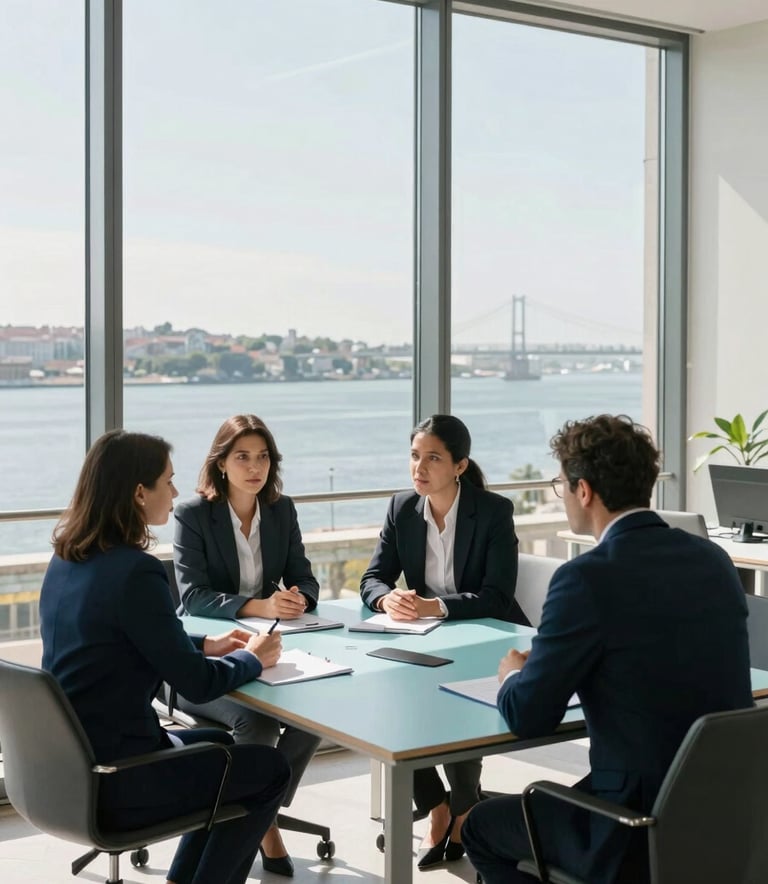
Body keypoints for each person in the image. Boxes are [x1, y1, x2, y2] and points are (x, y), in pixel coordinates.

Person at [462, 414, 754, 884]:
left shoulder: (586, 577)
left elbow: (528, 715)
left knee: (481, 827)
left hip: (632, 829)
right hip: (726, 819)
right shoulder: (713, 561)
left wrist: (513, 675)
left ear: (584, 491)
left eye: (562, 484)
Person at [39, 429, 290, 884]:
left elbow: (116, 640)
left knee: (224, 747)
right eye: (168, 481)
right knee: (271, 769)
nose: (175, 492)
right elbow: (197, 684)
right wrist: (253, 658)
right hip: (119, 778)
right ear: (139, 493)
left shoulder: (67, 559)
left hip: (67, 770)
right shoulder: (136, 572)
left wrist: (202, 643)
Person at [360, 413, 523, 869]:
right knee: (390, 707)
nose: (419, 468)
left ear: (460, 465)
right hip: (425, 636)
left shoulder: (493, 512)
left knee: (458, 716)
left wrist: (437, 606)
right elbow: (372, 578)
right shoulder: (401, 508)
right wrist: (388, 599)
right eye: (414, 456)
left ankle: (464, 807)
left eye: (432, 458)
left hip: (488, 637)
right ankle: (440, 805)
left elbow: (497, 596)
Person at [173, 413, 321, 877]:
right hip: (208, 657)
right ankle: (262, 824)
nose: (254, 467)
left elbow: (304, 575)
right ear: (221, 463)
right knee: (255, 727)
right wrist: (257, 606)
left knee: (314, 719)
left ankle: (260, 811)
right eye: (242, 457)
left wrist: (299, 597)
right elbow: (192, 596)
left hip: (269, 650)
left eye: (262, 457)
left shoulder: (281, 509)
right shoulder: (193, 514)